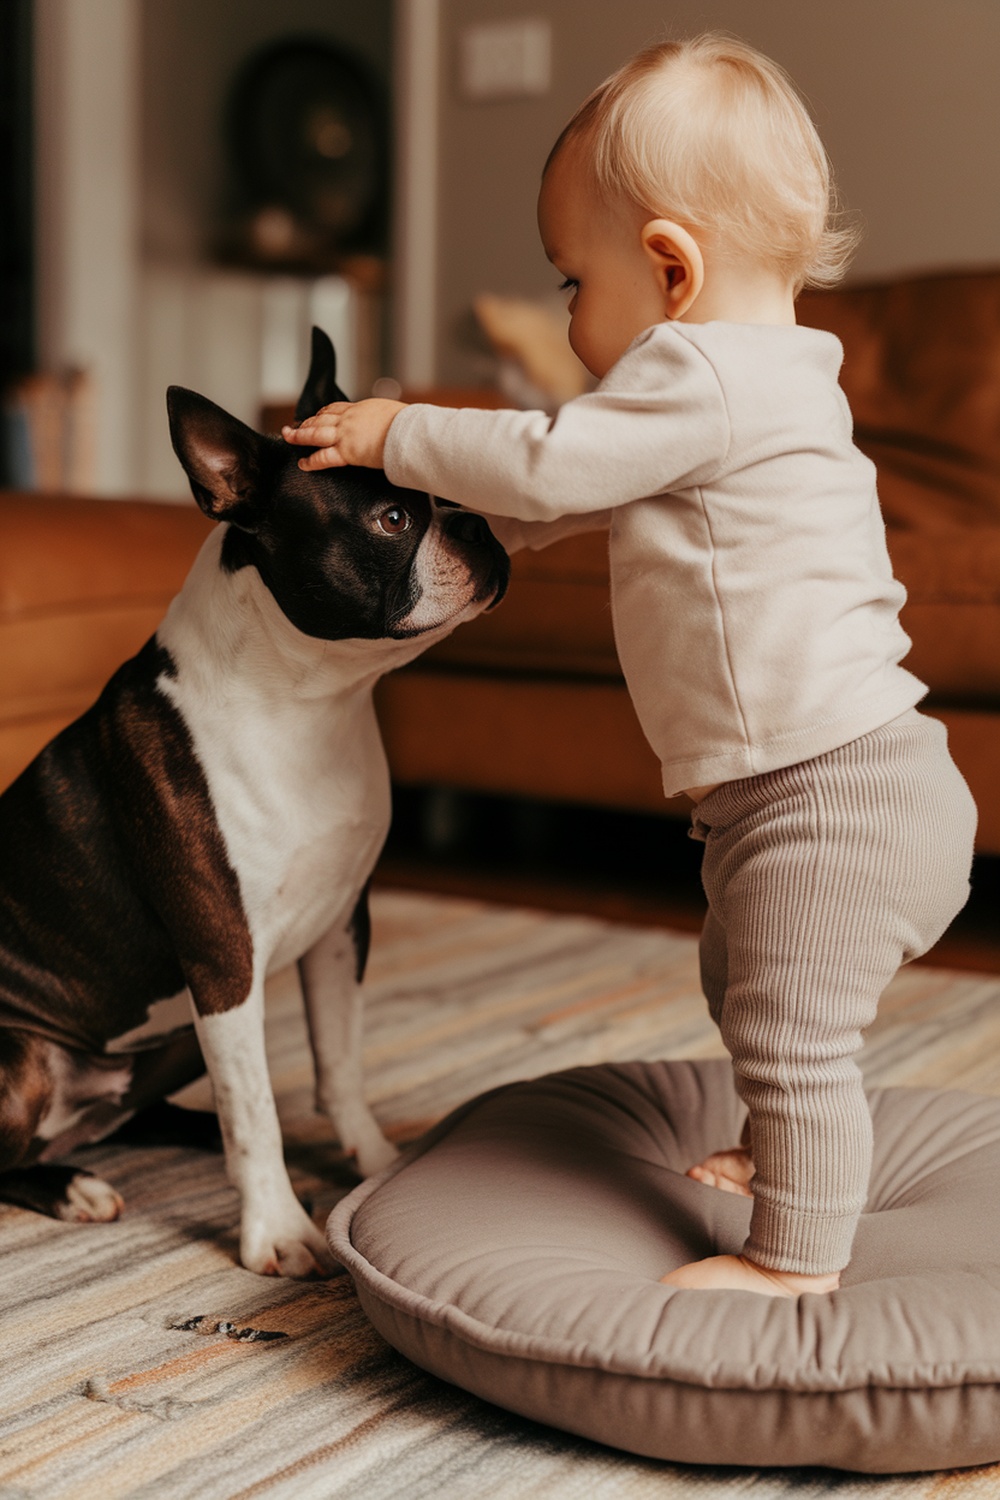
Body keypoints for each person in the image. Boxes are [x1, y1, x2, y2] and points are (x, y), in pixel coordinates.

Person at [283, 33, 977, 1297]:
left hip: (836, 797)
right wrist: (485, 521)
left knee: (787, 1024)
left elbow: (555, 463)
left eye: (567, 282)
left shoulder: (699, 369)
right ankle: (783, 1154)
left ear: (668, 269)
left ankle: (795, 1264)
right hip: (811, 794)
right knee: (747, 983)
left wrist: (401, 429)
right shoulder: (767, 381)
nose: (564, 314)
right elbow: (581, 499)